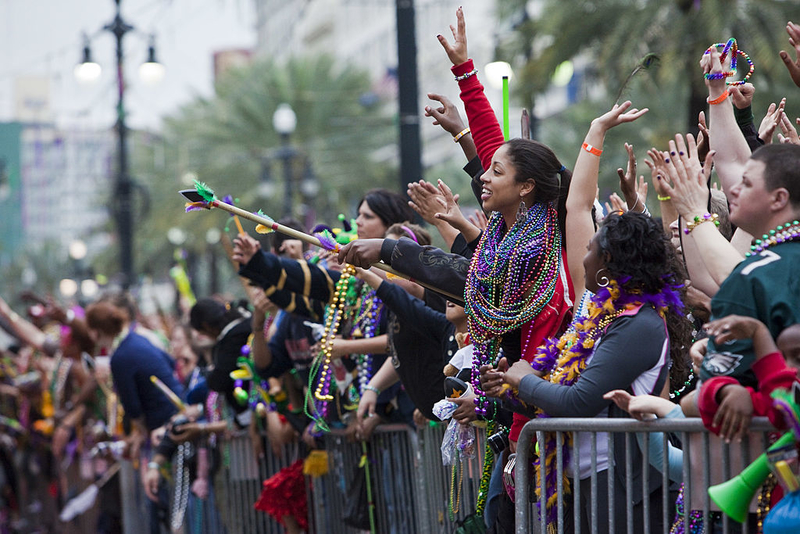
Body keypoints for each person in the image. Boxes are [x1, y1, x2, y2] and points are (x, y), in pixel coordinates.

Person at [485, 211, 685, 533]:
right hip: (585, 480)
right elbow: (554, 396)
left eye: (590, 248)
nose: (584, 258)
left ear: (606, 259)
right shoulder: (603, 318)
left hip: (623, 486)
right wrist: (510, 388)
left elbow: (579, 402)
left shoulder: (639, 325)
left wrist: (525, 381)